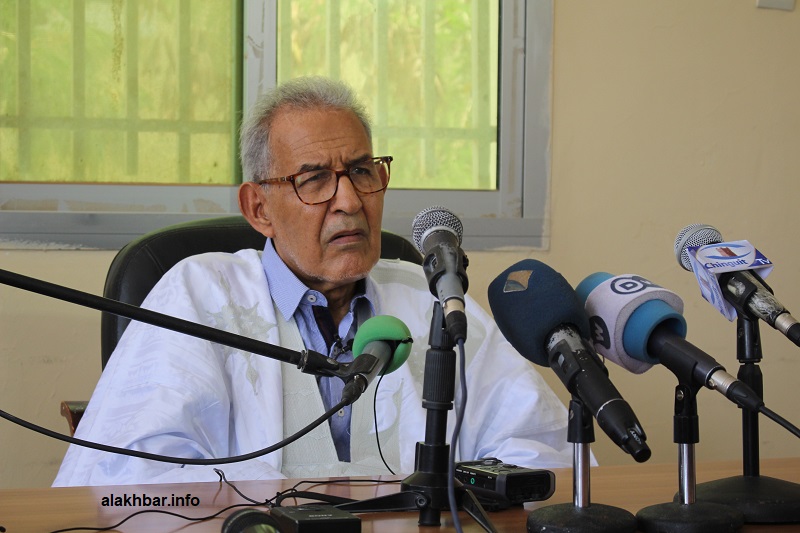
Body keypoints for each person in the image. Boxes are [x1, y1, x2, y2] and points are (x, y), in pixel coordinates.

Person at [53, 76, 572, 486]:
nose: (349, 201)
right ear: (259, 208)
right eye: (315, 178)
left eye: (362, 171)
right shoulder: (198, 293)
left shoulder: (431, 296)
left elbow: (541, 449)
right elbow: (130, 475)